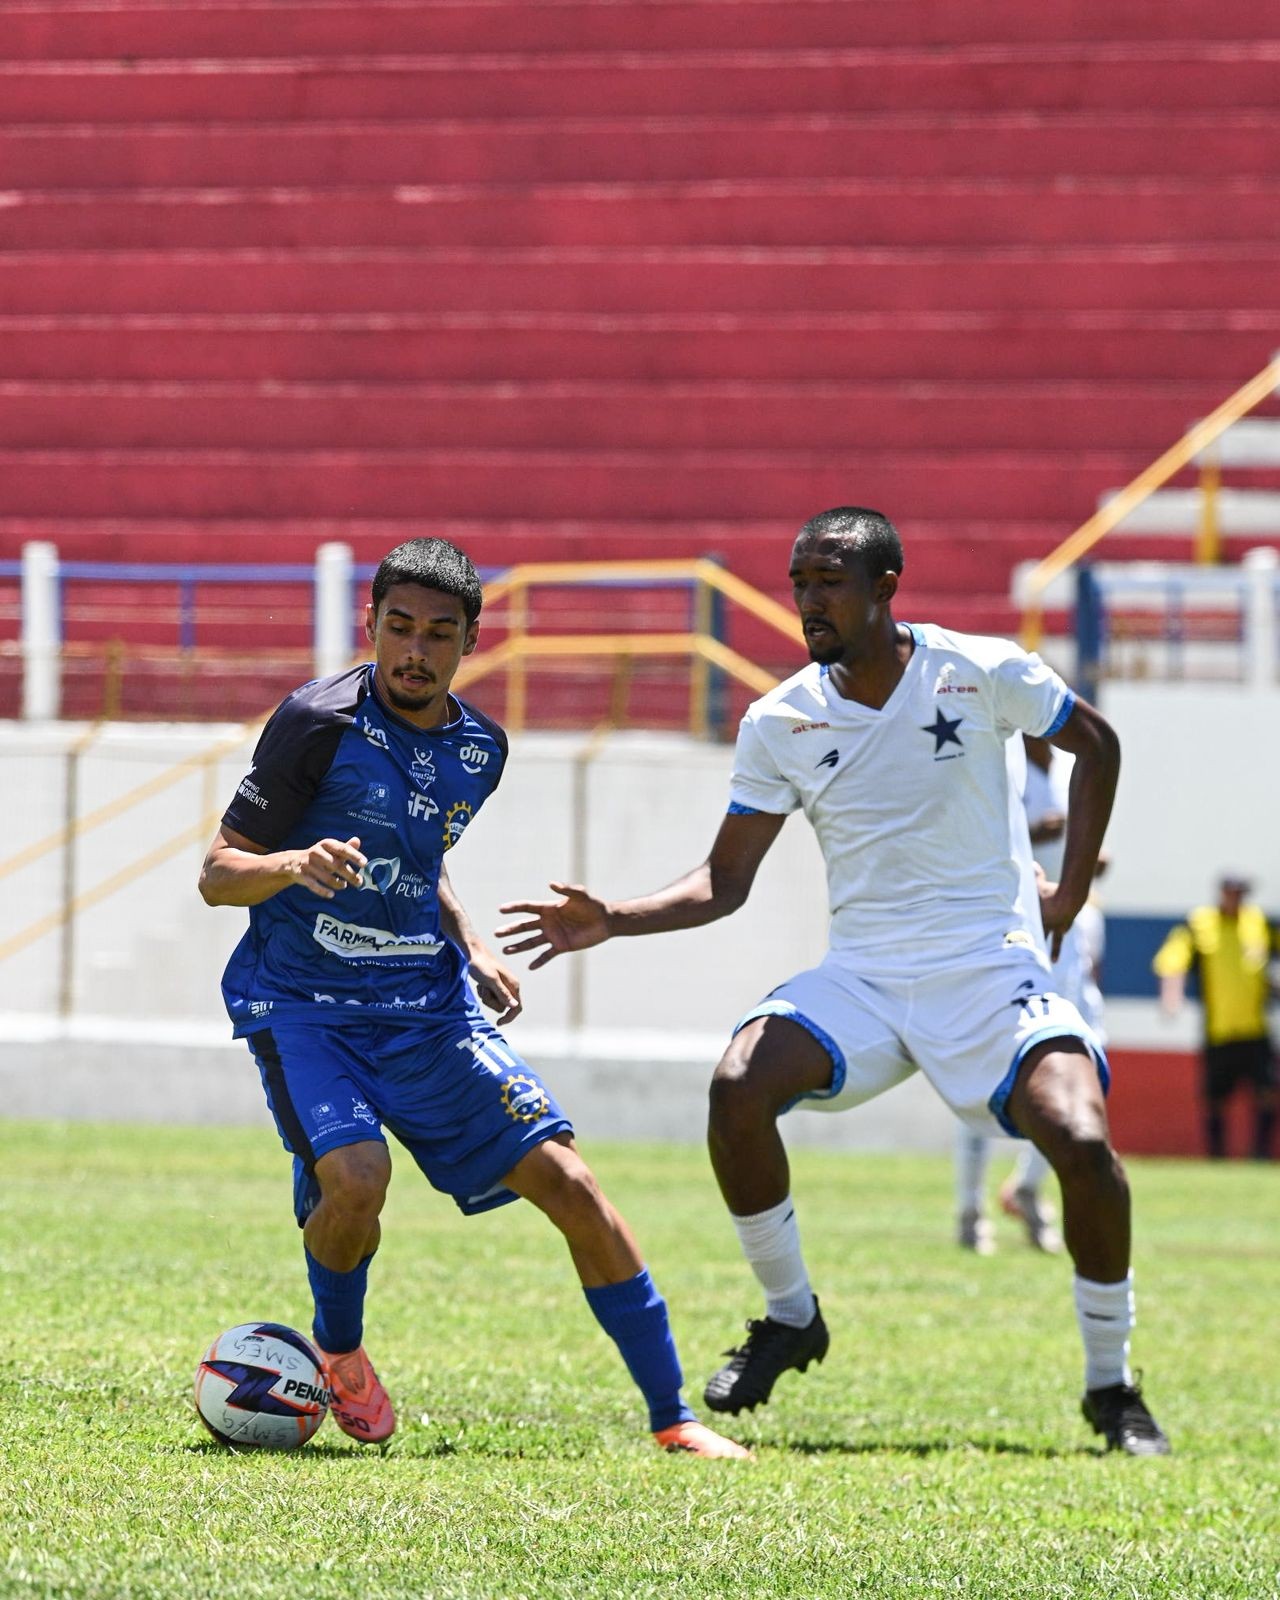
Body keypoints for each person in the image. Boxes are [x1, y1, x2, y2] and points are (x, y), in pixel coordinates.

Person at [498, 506, 1170, 1456]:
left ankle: (1111, 1386)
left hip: (989, 971)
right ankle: (791, 1317)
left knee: (1084, 1143)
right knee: (737, 1087)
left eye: (829, 582)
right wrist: (615, 918)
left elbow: (1096, 744)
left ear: (885, 587)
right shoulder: (780, 720)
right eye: (799, 583)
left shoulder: (976, 669)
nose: (809, 601)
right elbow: (724, 882)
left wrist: (1067, 893)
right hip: (864, 977)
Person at [197, 537, 749, 1460]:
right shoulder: (315, 722)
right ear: (371, 625)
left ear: (470, 640)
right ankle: (338, 1350)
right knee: (357, 1183)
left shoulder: (480, 749)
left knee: (573, 1185)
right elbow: (218, 873)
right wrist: (293, 863)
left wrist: (473, 945)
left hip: (429, 1007)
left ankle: (674, 1418)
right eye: (399, 627)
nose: (415, 651)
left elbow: (421, 859)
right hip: (306, 1005)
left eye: (438, 634)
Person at [954, 737, 1109, 1256]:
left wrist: (1087, 857)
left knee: (1086, 1059)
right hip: (1013, 925)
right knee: (987, 1068)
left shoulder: (1070, 762)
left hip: (1069, 924)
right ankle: (970, 1209)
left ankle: (1027, 1185)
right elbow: (978, 839)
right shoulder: (997, 756)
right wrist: (1039, 832)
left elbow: (1079, 842)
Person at [1153, 874, 1278, 1160]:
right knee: (1215, 1097)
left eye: (1241, 893)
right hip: (1219, 1029)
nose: (1235, 899)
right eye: (1231, 893)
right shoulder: (1200, 924)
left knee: (1267, 1092)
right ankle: (1217, 1155)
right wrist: (1171, 995)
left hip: (1256, 1027)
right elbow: (1172, 959)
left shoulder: (1259, 923)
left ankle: (1260, 1154)